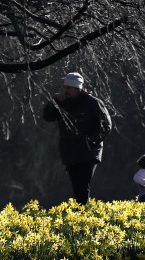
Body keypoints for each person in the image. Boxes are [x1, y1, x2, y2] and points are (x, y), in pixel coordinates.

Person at [42, 72, 113, 205]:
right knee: (77, 188)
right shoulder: (63, 103)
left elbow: (105, 126)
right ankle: (82, 214)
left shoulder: (93, 103)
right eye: (64, 87)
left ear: (77, 88)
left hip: (89, 152)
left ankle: (83, 216)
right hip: (70, 152)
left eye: (68, 88)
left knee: (82, 185)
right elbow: (47, 117)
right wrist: (53, 101)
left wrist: (89, 142)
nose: (65, 91)